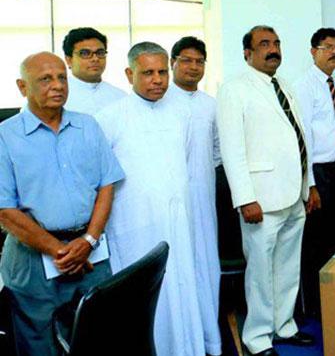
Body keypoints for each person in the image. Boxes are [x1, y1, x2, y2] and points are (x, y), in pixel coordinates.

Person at [0, 52, 124, 356]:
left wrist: (89, 240)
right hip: (34, 261)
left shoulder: (87, 126)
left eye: (61, 78)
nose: (57, 85)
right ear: (22, 86)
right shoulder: (5, 136)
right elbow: (5, 210)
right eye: (45, 79)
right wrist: (62, 252)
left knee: (97, 338)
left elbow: (106, 185)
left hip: (91, 255)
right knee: (37, 344)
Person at [95, 42, 205, 356]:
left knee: (179, 284)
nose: (157, 79)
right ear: (129, 74)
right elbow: (102, 180)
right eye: (147, 73)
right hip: (134, 225)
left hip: (177, 222)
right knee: (141, 296)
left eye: (161, 72)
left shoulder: (181, 113)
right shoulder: (110, 117)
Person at [218, 26, 316, 356]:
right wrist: (245, 198)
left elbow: (300, 139)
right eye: (264, 44)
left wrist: (310, 184)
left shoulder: (284, 85)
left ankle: (284, 326)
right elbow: (232, 149)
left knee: (288, 267)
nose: (272, 49)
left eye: (276, 43)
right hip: (261, 199)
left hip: (294, 196)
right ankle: (257, 337)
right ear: (248, 53)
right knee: (260, 273)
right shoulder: (235, 89)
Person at [165, 36, 222, 356]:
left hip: (202, 198)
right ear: (173, 63)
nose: (193, 67)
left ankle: (209, 338)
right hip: (168, 202)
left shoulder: (210, 105)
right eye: (186, 60)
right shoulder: (161, 101)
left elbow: (216, 151)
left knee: (205, 264)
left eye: (199, 61)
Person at [293, 27, 335, 318]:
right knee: (315, 242)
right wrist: (311, 186)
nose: (334, 52)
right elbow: (302, 138)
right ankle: (315, 307)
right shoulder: (304, 86)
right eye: (328, 46)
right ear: (313, 51)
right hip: (318, 173)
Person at [62, 27, 126, 114]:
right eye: (85, 53)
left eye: (100, 53)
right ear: (69, 60)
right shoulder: (59, 95)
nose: (95, 59)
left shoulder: (120, 97)